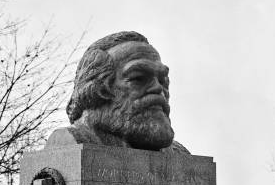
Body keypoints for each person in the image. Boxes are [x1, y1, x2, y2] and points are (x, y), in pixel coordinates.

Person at [47, 31, 190, 154]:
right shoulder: (70, 142)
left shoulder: (180, 154)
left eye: (163, 80)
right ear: (98, 89)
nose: (158, 88)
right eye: (139, 78)